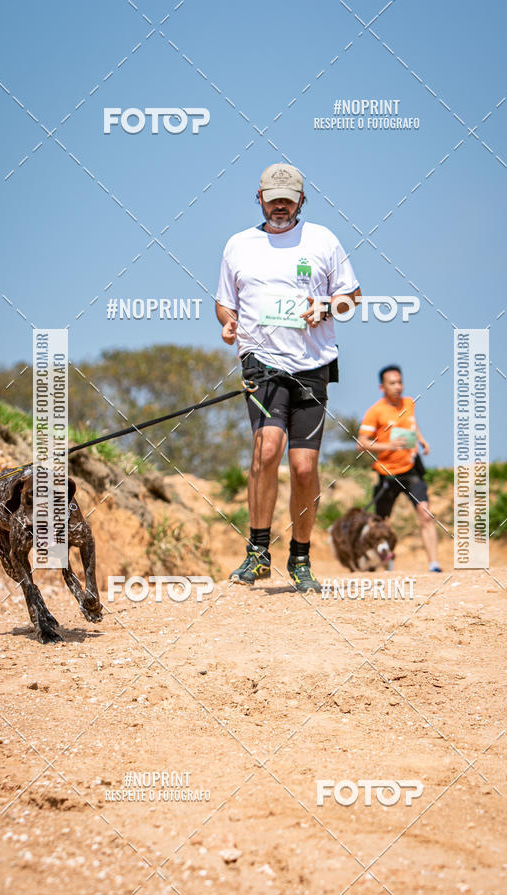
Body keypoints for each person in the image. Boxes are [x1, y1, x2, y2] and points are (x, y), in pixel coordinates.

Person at [215, 163, 361, 593]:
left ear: (302, 200)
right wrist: (227, 324)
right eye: (273, 197)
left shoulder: (323, 240)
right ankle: (257, 553)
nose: (281, 204)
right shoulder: (238, 245)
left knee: (303, 467)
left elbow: (352, 298)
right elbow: (226, 304)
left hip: (312, 367)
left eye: (289, 197)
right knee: (266, 450)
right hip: (262, 365)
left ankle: (300, 557)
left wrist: (327, 309)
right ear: (258, 198)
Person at [357, 365, 442, 573]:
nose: (397, 387)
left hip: (411, 469)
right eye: (392, 383)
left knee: (425, 514)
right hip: (387, 473)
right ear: (382, 387)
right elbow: (362, 443)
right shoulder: (375, 412)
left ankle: (434, 565)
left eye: (400, 382)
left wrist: (421, 440)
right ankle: (385, 566)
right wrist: (389, 446)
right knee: (382, 525)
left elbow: (413, 424)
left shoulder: (409, 403)